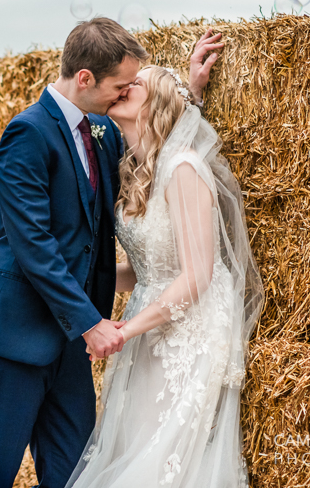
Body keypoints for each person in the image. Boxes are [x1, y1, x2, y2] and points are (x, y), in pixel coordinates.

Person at [0, 17, 224, 487]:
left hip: (72, 352)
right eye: (119, 87)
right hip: (15, 342)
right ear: (85, 79)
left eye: (128, 90)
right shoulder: (29, 133)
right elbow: (34, 246)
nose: (123, 96)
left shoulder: (100, 131)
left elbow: (160, 136)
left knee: (75, 477)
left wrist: (191, 91)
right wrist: (92, 325)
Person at [64, 66, 264, 488]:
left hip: (188, 329)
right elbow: (144, 271)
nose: (123, 86)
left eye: (136, 84)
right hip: (148, 323)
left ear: (155, 105)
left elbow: (196, 277)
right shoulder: (138, 171)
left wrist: (123, 331)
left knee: (162, 460)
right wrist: (72, 284)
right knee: (134, 446)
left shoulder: (184, 168)